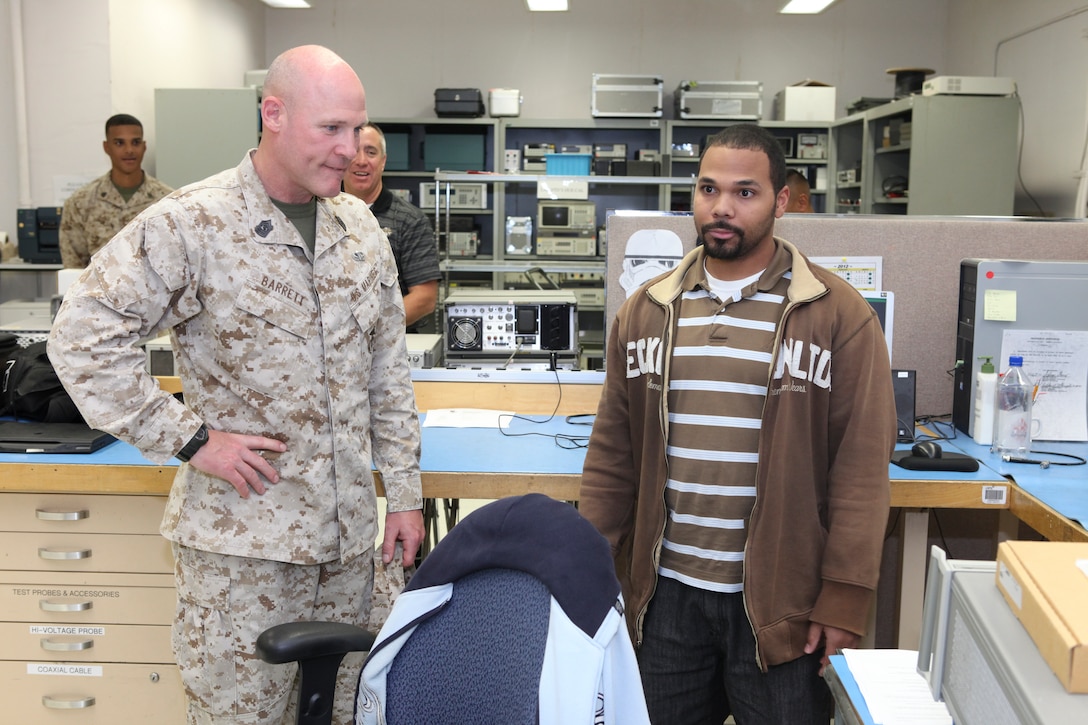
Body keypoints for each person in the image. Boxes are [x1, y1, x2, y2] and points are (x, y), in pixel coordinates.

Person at [47, 45, 424, 725]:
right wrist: (192, 439)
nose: (352, 150)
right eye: (331, 129)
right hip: (242, 556)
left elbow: (388, 371)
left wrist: (403, 494)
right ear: (272, 114)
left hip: (347, 557)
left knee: (346, 715)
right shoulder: (193, 223)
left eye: (358, 129)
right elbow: (80, 337)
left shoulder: (360, 228)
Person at [579, 124, 895, 725]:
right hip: (664, 596)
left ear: (781, 201)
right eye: (708, 188)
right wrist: (591, 568)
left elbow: (859, 471)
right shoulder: (647, 310)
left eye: (745, 192)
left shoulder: (836, 315)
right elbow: (612, 456)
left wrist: (845, 598)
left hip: (782, 607)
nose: (721, 207)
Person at [343, 122, 440, 331]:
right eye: (354, 151)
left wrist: (370, 330)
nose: (361, 161)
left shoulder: (410, 220)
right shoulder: (322, 213)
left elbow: (425, 297)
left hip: (391, 346)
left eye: (371, 152)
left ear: (383, 162)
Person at [59, 113, 173, 268]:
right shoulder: (81, 203)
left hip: (151, 292)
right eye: (119, 143)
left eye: (135, 142)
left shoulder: (167, 201)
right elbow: (74, 269)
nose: (129, 150)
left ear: (144, 146)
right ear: (106, 147)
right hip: (99, 292)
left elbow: (174, 262)